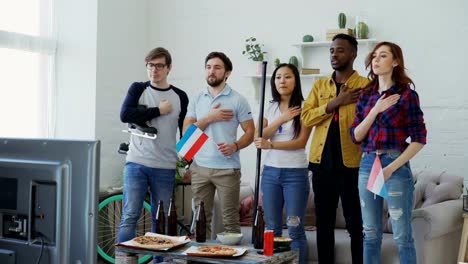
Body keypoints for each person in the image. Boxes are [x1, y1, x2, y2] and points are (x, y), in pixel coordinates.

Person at [350, 41, 427, 264]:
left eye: (382, 56)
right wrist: (375, 110)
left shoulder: (407, 96)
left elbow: (419, 139)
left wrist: (390, 168)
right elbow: (356, 135)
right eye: (374, 56)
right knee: (370, 233)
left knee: (402, 235)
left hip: (395, 163)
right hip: (367, 164)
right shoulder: (366, 96)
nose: (376, 60)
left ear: (395, 62)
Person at [301, 33, 368, 264]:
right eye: (331, 50)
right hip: (321, 165)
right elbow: (307, 118)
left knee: (356, 224)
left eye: (340, 50)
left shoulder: (365, 86)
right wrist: (335, 102)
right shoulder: (320, 85)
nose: (334, 54)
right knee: (324, 224)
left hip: (353, 165)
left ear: (353, 54)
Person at [117, 47, 189, 250]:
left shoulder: (180, 96)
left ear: (169, 68)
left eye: (159, 66)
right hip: (136, 163)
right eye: (150, 65)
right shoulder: (138, 89)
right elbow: (125, 114)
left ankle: (160, 260)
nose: (154, 70)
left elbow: (184, 132)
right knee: (130, 215)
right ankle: (125, 261)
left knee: (163, 219)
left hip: (165, 166)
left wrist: (186, 163)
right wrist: (159, 110)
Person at [183, 51, 254, 238]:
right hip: (200, 167)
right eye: (208, 67)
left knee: (230, 220)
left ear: (227, 73)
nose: (211, 71)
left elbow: (250, 132)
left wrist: (236, 146)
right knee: (200, 220)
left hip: (227, 169)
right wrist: (209, 118)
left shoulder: (238, 100)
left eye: (217, 67)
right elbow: (186, 133)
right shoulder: (197, 98)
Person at [253, 63, 312, 264]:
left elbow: (300, 142)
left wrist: (271, 146)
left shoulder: (306, 108)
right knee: (271, 229)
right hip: (270, 174)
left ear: (296, 80)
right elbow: (258, 135)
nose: (282, 81)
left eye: (287, 77)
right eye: (278, 77)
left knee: (294, 228)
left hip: (295, 174)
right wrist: (281, 119)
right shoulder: (269, 107)